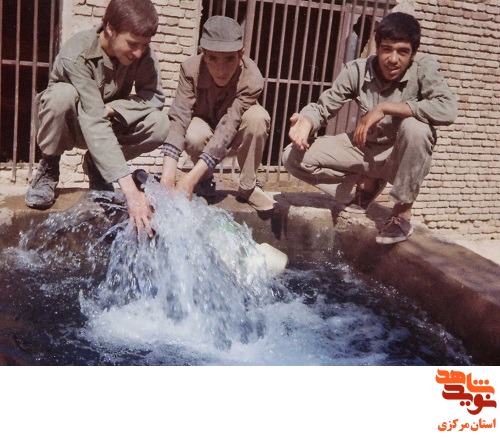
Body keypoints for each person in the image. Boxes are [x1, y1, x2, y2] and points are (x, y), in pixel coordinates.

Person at [283, 12, 457, 244]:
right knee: (292, 157)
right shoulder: (357, 70)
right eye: (386, 49)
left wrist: (386, 108)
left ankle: (402, 213)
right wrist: (307, 121)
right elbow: (324, 106)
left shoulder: (423, 70)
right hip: (365, 149)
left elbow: (447, 109)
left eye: (402, 52)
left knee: (417, 128)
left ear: (413, 53)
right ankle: (365, 184)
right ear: (377, 46)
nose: (393, 59)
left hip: (398, 157)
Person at [25, 0, 169, 235]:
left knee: (160, 124)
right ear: (110, 29)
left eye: (144, 45)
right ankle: (49, 165)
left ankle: (97, 166)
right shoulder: (77, 52)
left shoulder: (142, 53)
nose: (139, 53)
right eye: (132, 44)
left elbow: (154, 97)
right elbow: (94, 119)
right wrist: (130, 191)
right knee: (61, 96)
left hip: (105, 122)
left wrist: (112, 109)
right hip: (70, 125)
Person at [160, 15, 275, 211]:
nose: (221, 70)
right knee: (193, 133)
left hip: (234, 131)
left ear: (241, 54)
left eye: (230, 59)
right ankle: (205, 182)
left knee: (258, 118)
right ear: (203, 54)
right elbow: (179, 116)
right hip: (205, 128)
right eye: (213, 58)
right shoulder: (190, 70)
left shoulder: (252, 78)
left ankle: (248, 187)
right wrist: (167, 176)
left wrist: (189, 179)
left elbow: (229, 125)